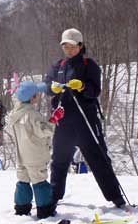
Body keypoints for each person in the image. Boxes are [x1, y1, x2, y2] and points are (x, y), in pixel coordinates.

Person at [44, 28, 126, 208]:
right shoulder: (58, 66)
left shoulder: (90, 65)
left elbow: (95, 90)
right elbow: (46, 85)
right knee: (59, 160)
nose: (68, 50)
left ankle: (115, 197)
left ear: (80, 46)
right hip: (64, 122)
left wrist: (82, 87)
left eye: (72, 46)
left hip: (86, 120)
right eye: (65, 46)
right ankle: (53, 197)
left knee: (98, 158)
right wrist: (52, 88)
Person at [9, 80, 63, 219]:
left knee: (23, 181)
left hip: (21, 155)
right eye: (37, 94)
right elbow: (43, 131)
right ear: (32, 97)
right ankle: (45, 210)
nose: (39, 95)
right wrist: (54, 120)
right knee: (40, 182)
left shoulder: (15, 113)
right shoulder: (32, 115)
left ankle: (21, 209)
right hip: (35, 155)